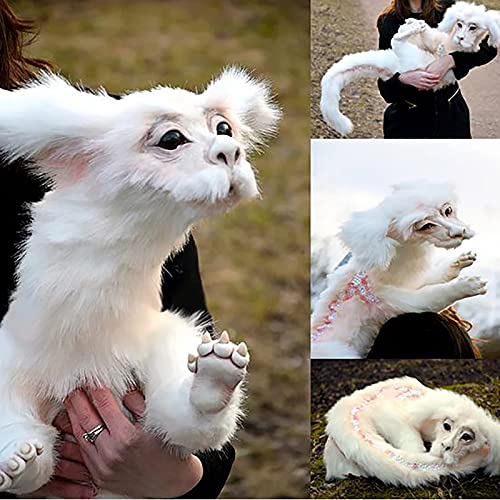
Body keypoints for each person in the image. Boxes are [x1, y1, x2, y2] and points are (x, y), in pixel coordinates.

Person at [0, 1, 234, 497]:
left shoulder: (103, 147)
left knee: (173, 343)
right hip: (25, 433)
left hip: (135, 448)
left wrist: (177, 475)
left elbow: (184, 336)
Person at [377, 0, 498, 138]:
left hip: (451, 117)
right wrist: (403, 79)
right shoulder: (389, 22)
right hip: (407, 122)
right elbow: (385, 87)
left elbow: (489, 46)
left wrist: (451, 60)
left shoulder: (448, 9)